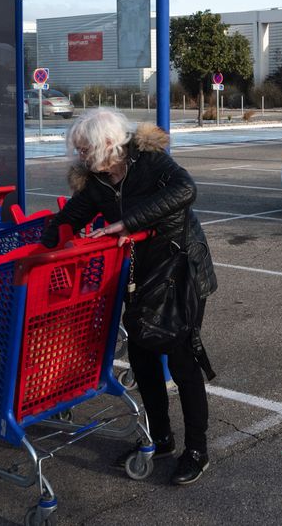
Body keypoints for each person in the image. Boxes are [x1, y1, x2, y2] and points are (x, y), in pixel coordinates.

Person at [40, 108, 218, 485]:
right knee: (141, 355)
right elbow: (70, 218)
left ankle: (197, 450)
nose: (81, 156)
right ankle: (161, 437)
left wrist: (127, 222)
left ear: (108, 143)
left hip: (180, 268)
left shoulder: (150, 161)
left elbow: (186, 191)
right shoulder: (98, 181)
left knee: (183, 358)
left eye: (85, 148)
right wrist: (39, 248)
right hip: (140, 276)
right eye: (78, 150)